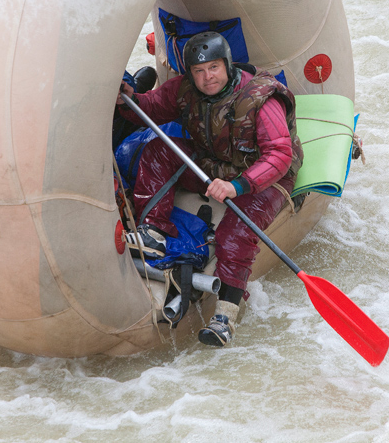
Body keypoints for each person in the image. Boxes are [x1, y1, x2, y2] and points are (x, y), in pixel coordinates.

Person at [116, 31, 303, 347]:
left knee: (236, 233)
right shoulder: (184, 89)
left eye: (213, 68)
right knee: (159, 151)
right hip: (214, 163)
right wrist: (129, 99)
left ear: (227, 65)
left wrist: (237, 186)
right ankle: (153, 232)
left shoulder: (261, 97)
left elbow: (279, 155)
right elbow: (151, 108)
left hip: (262, 177)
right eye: (199, 71)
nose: (207, 78)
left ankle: (226, 315)